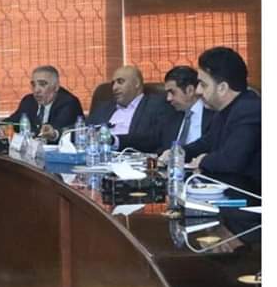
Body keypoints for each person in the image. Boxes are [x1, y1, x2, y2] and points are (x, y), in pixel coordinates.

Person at [181, 47, 261, 194]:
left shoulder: (249, 109)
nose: (198, 91)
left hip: (251, 198)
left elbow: (232, 160)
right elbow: (206, 143)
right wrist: (179, 152)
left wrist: (203, 160)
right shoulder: (223, 110)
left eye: (203, 84)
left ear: (222, 88)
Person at [86, 65, 173, 152]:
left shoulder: (157, 105)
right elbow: (84, 131)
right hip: (98, 155)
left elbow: (153, 138)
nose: (114, 88)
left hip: (132, 156)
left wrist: (114, 141)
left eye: (120, 82)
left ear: (136, 83)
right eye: (113, 83)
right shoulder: (103, 108)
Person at [5, 65, 83, 142]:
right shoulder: (28, 101)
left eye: (42, 84)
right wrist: (4, 127)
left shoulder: (69, 103)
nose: (36, 90)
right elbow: (12, 122)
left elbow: (54, 132)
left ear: (56, 87)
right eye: (33, 85)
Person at [157, 66, 214, 154]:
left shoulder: (214, 114)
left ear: (190, 90)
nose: (168, 98)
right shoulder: (170, 114)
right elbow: (160, 147)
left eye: (172, 92)